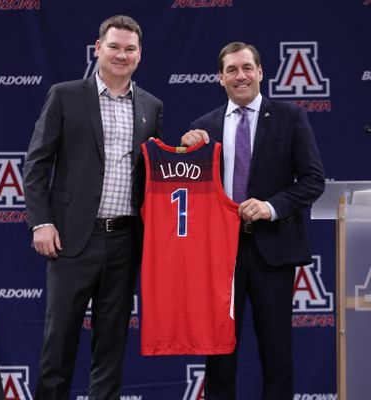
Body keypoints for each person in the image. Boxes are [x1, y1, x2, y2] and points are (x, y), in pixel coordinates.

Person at [23, 15, 163, 400]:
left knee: (111, 344)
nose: (122, 54)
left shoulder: (152, 106)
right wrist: (42, 223)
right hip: (70, 240)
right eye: (114, 46)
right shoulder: (65, 95)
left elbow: (157, 172)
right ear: (98, 48)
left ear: (140, 54)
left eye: (130, 48)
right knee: (59, 342)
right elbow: (36, 163)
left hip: (125, 241)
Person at [181, 42, 325, 399]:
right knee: (219, 356)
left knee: (277, 353)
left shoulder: (291, 117)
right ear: (220, 78)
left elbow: (313, 181)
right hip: (219, 257)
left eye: (247, 68)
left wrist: (271, 206)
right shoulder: (203, 128)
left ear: (260, 72)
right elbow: (189, 196)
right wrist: (186, 153)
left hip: (272, 250)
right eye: (231, 70)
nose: (240, 75)